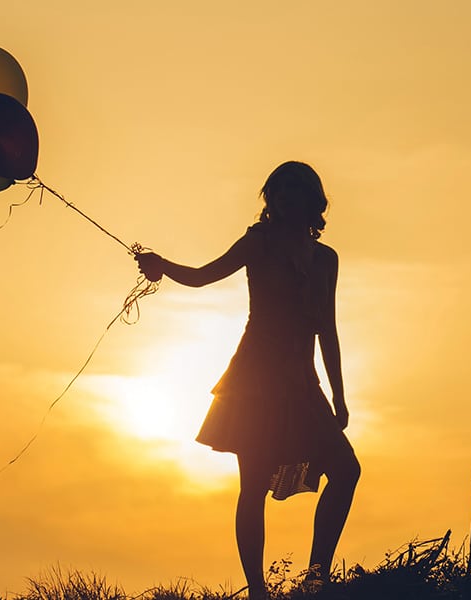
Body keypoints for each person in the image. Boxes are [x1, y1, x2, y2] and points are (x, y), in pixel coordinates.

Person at [135, 161, 360, 597]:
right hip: (255, 380)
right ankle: (257, 589)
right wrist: (162, 265)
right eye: (277, 194)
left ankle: (317, 578)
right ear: (270, 201)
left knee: (346, 470)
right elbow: (203, 277)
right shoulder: (258, 243)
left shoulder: (326, 259)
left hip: (302, 384)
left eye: (293, 193)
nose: (283, 201)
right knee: (253, 485)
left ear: (311, 202)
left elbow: (327, 328)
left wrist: (339, 395)